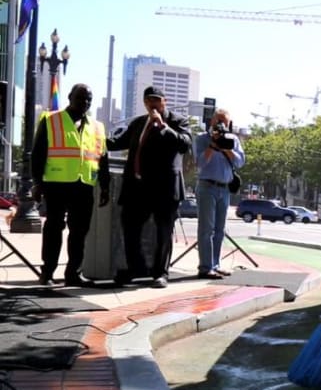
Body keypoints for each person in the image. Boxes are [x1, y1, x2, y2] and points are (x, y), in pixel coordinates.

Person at [108, 86, 192, 289]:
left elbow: (185, 144)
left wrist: (163, 127)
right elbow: (116, 143)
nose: (152, 104)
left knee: (163, 231)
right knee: (130, 228)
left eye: (156, 100)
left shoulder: (177, 121)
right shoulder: (138, 123)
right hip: (137, 187)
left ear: (165, 101)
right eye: (148, 101)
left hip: (164, 188)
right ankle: (135, 269)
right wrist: (95, 136)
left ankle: (160, 273)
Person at [30, 84, 110, 287]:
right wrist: (37, 183)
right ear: (70, 97)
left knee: (80, 231)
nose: (85, 102)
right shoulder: (51, 119)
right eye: (81, 98)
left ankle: (73, 273)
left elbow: (103, 158)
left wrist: (105, 187)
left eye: (89, 99)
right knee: (54, 228)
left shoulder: (97, 126)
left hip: (84, 184)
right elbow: (38, 153)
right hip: (56, 183)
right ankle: (47, 272)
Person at [194, 108, 245, 279]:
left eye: (225, 121)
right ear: (211, 121)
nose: (222, 124)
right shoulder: (202, 139)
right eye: (219, 120)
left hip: (224, 188)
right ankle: (205, 267)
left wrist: (225, 148)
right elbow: (199, 163)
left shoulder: (233, 140)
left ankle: (215, 265)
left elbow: (240, 162)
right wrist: (212, 145)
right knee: (206, 229)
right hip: (206, 186)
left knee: (219, 230)